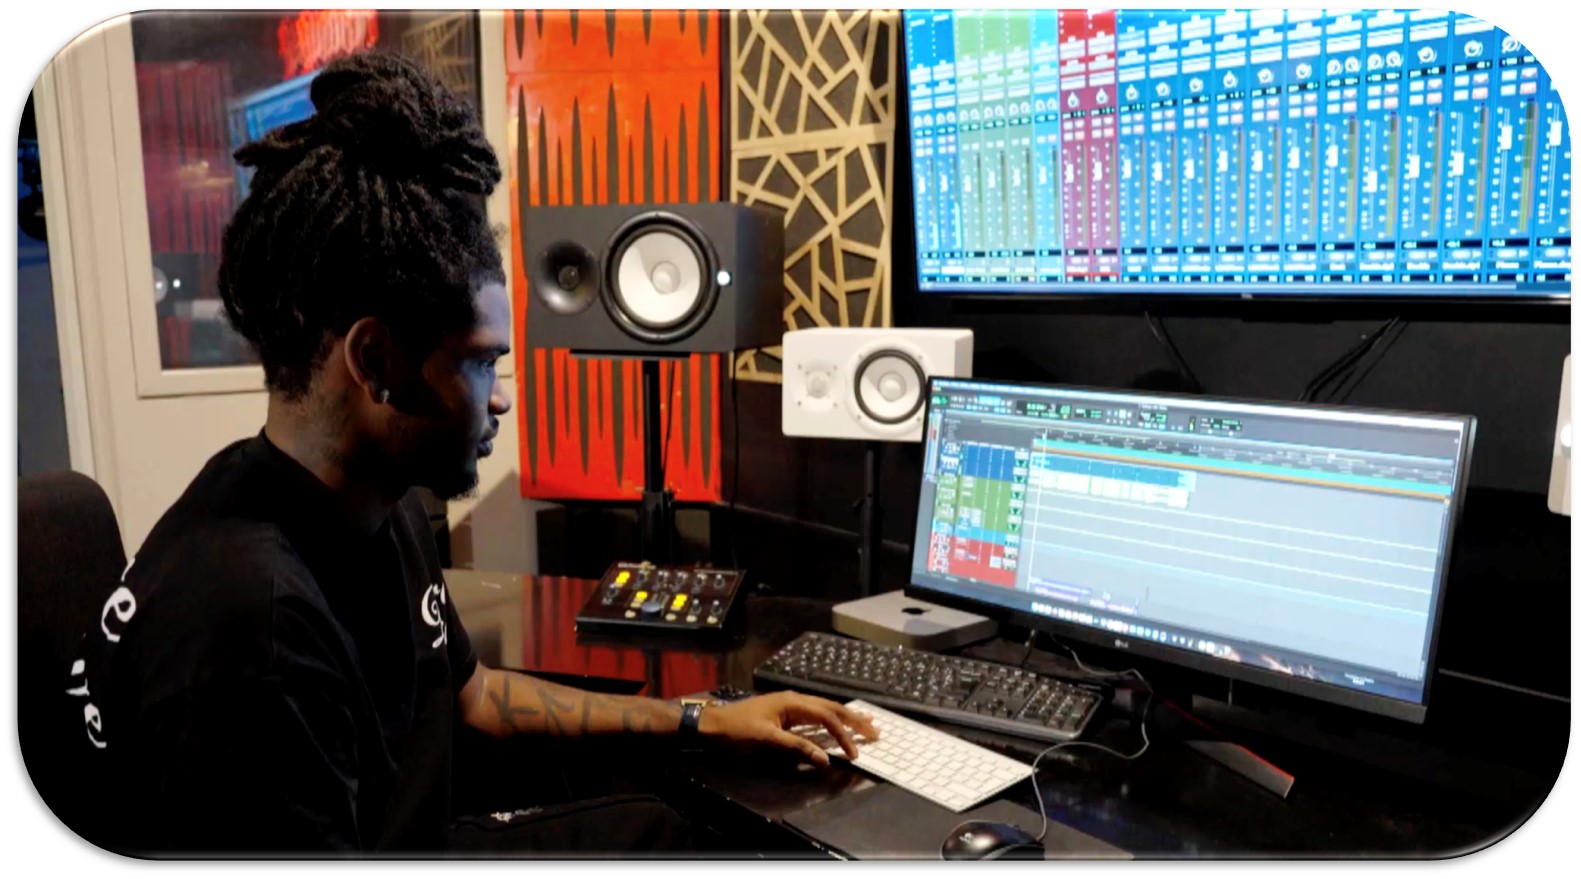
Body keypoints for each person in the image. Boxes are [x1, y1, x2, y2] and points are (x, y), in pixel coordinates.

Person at [64, 51, 875, 857]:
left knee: (684, 830)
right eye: (481, 362)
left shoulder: (364, 500)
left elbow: (473, 696)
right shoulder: (252, 635)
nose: (501, 398)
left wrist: (700, 719)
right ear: (375, 362)